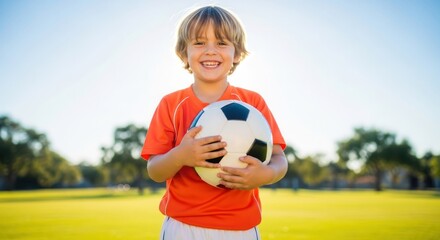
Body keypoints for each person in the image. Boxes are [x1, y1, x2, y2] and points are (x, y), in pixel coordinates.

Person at [141, 5, 287, 240]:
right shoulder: (171, 104)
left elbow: (279, 159)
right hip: (182, 227)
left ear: (237, 53)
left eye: (221, 43)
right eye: (199, 43)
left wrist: (266, 175)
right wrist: (181, 156)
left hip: (242, 228)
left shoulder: (252, 103)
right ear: (183, 52)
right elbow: (155, 170)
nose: (210, 51)